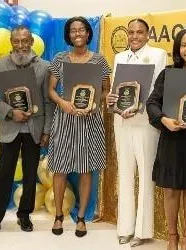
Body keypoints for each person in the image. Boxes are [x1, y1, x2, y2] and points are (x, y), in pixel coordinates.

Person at [0, 25, 53, 238]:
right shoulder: (1, 64)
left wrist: (46, 131)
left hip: (34, 129)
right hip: (10, 127)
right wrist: (10, 112)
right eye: (16, 41)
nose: (21, 45)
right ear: (12, 42)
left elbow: (48, 102)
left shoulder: (44, 66)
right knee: (3, 175)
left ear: (31, 42)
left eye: (25, 41)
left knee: (30, 175)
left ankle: (24, 215)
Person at [146, 28, 186, 250]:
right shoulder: (168, 73)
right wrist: (163, 120)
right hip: (171, 140)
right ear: (177, 48)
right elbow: (152, 103)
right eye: (184, 45)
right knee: (171, 189)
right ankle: (171, 238)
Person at [47, 16, 111, 237]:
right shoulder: (59, 59)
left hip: (90, 120)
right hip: (65, 119)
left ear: (88, 33)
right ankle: (58, 216)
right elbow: (52, 90)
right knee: (60, 169)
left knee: (86, 169)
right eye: (73, 30)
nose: (77, 34)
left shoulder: (100, 61)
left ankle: (82, 217)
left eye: (81, 30)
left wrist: (95, 104)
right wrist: (63, 103)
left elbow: (105, 91)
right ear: (68, 34)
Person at [106, 18, 167, 247]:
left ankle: (142, 230)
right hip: (121, 122)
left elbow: (156, 91)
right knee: (125, 174)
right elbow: (116, 90)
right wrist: (112, 100)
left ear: (148, 34)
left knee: (145, 177)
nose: (134, 36)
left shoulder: (159, 55)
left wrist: (139, 106)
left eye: (139, 32)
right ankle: (125, 228)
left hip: (144, 123)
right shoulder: (119, 57)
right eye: (131, 32)